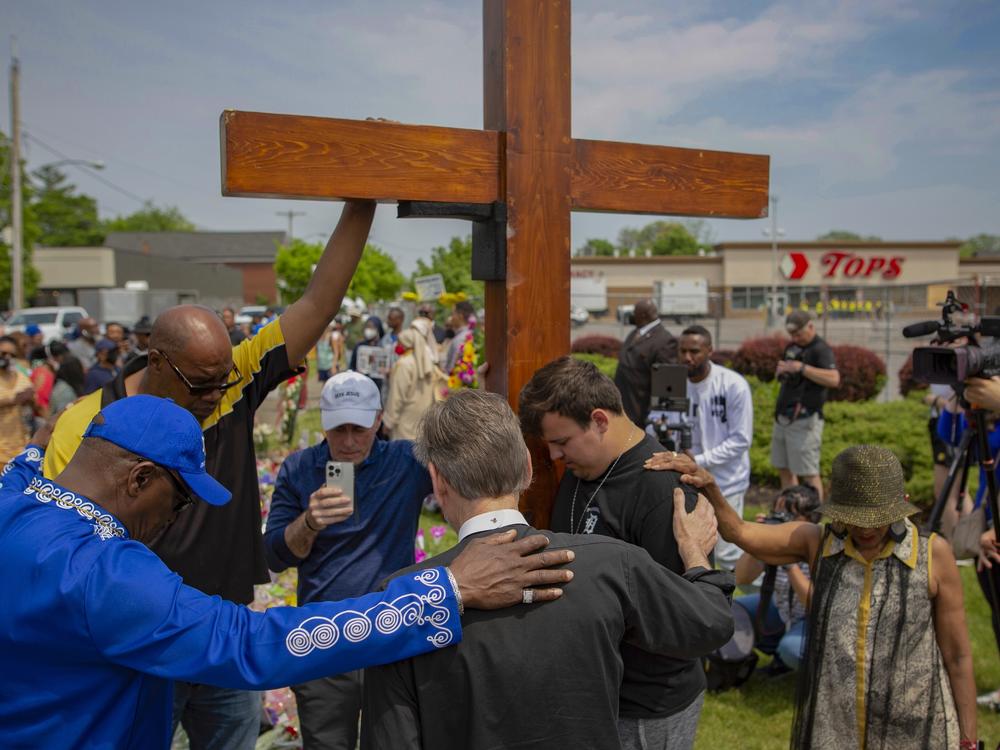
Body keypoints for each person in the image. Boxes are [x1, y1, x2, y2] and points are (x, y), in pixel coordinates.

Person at [0, 395, 576, 749]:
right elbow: (249, 645)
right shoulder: (101, 572)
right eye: (179, 503)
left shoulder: (17, 494)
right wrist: (446, 590)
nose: (173, 522)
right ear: (139, 478)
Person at [43, 201, 392, 748]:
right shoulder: (86, 423)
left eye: (221, 382)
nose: (213, 397)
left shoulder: (230, 385)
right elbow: (61, 541)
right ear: (155, 361)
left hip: (224, 621)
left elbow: (319, 302)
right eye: (200, 384)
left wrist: (361, 203)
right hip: (140, 633)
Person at [362, 390, 734, 750]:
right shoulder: (611, 565)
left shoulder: (403, 601)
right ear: (526, 467)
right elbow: (709, 623)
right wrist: (696, 554)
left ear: (437, 481)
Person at [647, 446, 978, 749]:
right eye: (853, 517)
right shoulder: (818, 543)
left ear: (901, 503)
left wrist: (968, 738)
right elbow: (740, 532)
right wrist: (708, 485)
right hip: (838, 728)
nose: (865, 530)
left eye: (876, 519)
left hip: (914, 726)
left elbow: (959, 656)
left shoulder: (933, 554)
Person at [518, 356, 716, 749]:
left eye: (561, 442)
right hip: (593, 691)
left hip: (644, 704)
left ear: (600, 420)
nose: (556, 457)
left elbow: (680, 618)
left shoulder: (665, 493)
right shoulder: (585, 467)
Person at [264, 371, 432, 749]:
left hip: (389, 636)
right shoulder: (300, 468)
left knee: (397, 742)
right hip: (323, 638)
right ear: (324, 424)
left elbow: (472, 459)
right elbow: (274, 555)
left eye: (360, 428)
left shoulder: (406, 462)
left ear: (378, 419)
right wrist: (309, 522)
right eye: (339, 430)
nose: (350, 442)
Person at [676, 324, 753, 571]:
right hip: (686, 479)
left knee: (727, 553)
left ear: (710, 350)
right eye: (683, 351)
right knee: (694, 550)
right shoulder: (673, 384)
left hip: (726, 482)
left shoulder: (732, 385)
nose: (687, 357)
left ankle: (736, 605)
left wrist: (699, 459)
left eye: (695, 351)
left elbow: (741, 440)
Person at [732, 485, 818, 673]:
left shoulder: (820, 545)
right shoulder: (777, 540)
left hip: (812, 619)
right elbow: (740, 577)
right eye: (778, 514)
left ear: (811, 520)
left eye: (790, 517)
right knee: (728, 611)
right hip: (781, 606)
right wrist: (757, 542)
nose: (783, 522)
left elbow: (816, 603)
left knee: (792, 650)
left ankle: (803, 668)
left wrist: (790, 562)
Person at [770, 310, 840, 501]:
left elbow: (834, 379)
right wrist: (783, 371)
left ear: (810, 326)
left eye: (798, 334)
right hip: (784, 416)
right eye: (792, 335)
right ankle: (789, 510)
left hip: (805, 419)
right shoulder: (792, 347)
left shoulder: (821, 349)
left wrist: (802, 368)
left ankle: (814, 517)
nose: (795, 338)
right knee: (783, 467)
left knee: (808, 471)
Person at [614, 298, 678, 428]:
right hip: (624, 406)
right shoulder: (635, 332)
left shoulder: (664, 340)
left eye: (634, 312)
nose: (632, 315)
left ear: (643, 315)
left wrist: (654, 416)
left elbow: (665, 384)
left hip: (640, 411)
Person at [383, 329, 438, 440]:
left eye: (399, 342)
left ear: (405, 343)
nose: (397, 346)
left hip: (404, 423)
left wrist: (388, 422)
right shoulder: (426, 362)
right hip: (422, 421)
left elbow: (396, 397)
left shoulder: (403, 364)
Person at [0, 336, 34, 463]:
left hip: (19, 447)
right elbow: (16, 399)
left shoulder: (20, 376)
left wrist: (30, 399)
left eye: (11, 354)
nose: (7, 357)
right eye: (3, 353)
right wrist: (13, 400)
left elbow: (31, 399)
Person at [350, 315, 387, 391]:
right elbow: (352, 365)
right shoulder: (359, 346)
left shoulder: (383, 346)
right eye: (367, 327)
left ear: (378, 329)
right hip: (361, 384)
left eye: (371, 327)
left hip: (378, 385)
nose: (368, 329)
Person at [443, 300, 475, 376]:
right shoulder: (471, 334)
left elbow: (451, 371)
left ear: (460, 316)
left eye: (452, 314)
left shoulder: (460, 339)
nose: (451, 318)